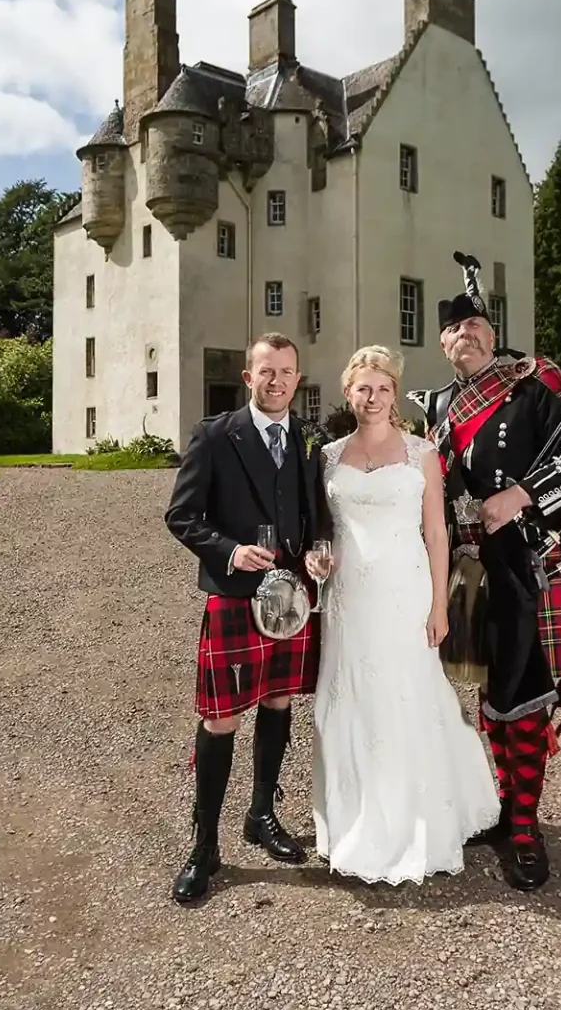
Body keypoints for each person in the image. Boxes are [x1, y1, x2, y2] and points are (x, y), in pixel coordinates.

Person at [409, 261, 561, 892]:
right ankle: (501, 809)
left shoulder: (533, 391)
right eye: (458, 329)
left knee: (518, 689)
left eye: (478, 326)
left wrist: (522, 495)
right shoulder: (433, 406)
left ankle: (524, 827)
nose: (469, 335)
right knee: (483, 689)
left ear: (494, 335)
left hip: (518, 565)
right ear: (443, 344)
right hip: (458, 569)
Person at [304, 346, 501, 885]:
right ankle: (351, 819)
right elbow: (319, 527)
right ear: (349, 392)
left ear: (395, 393)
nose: (373, 397)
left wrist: (440, 605)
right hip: (347, 601)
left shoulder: (422, 454)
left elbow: (438, 534)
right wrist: (316, 556)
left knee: (407, 697)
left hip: (404, 594)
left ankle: (420, 819)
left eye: (383, 388)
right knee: (349, 700)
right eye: (363, 388)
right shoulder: (326, 456)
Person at [163, 333, 323, 905]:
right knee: (221, 718)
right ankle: (204, 846)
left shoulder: (307, 439)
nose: (276, 380)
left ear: (297, 380)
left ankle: (262, 814)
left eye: (286, 372)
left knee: (279, 703)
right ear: (248, 377)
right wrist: (228, 550)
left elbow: (314, 513)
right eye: (266, 371)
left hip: (290, 597)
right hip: (235, 595)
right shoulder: (214, 435)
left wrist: (316, 547)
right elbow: (181, 516)